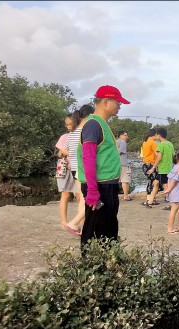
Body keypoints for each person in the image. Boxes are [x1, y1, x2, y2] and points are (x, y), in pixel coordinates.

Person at [77, 85, 130, 252]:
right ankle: (92, 269)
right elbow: (88, 158)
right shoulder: (93, 124)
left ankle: (109, 267)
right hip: (100, 186)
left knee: (109, 229)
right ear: (106, 101)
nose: (120, 106)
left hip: (108, 185)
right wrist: (92, 191)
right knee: (95, 230)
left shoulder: (102, 124)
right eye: (118, 102)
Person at [62, 104, 95, 234]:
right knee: (88, 198)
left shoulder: (71, 133)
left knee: (82, 198)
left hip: (75, 168)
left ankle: (81, 227)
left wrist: (72, 156)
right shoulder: (85, 131)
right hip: (84, 168)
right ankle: (75, 223)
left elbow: (64, 150)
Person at [56, 113, 79, 233]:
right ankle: (64, 222)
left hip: (77, 168)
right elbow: (60, 153)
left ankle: (80, 222)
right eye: (67, 124)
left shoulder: (80, 134)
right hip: (66, 169)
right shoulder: (65, 136)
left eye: (70, 124)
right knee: (65, 194)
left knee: (80, 196)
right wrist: (69, 153)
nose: (68, 126)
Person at [153, 127, 175, 210]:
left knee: (166, 187)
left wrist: (153, 167)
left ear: (159, 135)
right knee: (163, 184)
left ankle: (171, 204)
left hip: (163, 169)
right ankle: (151, 200)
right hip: (169, 168)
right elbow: (174, 155)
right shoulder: (170, 144)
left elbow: (159, 158)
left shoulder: (161, 144)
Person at [141, 129, 160, 208]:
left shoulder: (145, 142)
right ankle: (150, 199)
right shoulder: (152, 143)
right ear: (154, 135)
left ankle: (150, 198)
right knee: (154, 182)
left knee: (150, 181)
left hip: (146, 164)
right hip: (151, 164)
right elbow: (158, 153)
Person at [116, 131, 132, 201]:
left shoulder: (115, 142)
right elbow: (119, 151)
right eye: (126, 135)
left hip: (116, 164)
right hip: (123, 164)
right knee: (125, 180)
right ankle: (126, 196)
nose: (127, 137)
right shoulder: (123, 142)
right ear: (121, 135)